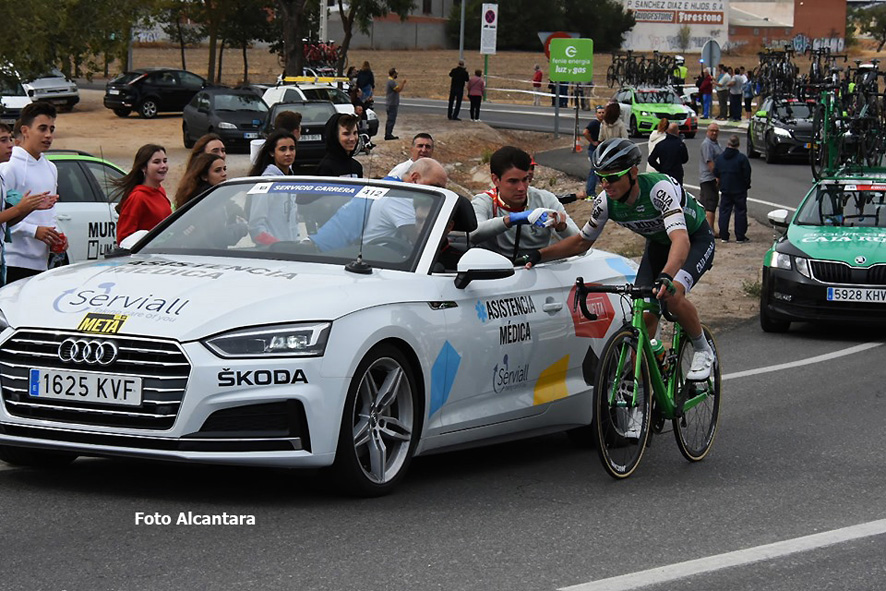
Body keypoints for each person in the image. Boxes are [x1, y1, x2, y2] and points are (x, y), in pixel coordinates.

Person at [523, 138, 716, 381]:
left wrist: (666, 276)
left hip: (695, 239)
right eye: (600, 177)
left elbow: (681, 240)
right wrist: (540, 254)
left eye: (613, 177)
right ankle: (643, 389)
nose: (606, 184)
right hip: (658, 244)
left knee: (672, 293)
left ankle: (702, 349)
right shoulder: (605, 201)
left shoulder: (658, 189)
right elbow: (582, 242)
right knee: (644, 313)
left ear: (634, 172)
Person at [309, 157, 448, 253]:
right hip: (371, 259)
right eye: (436, 186)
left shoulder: (389, 186)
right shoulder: (399, 197)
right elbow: (423, 240)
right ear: (415, 178)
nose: (439, 192)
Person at [469, 146, 578, 260]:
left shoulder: (546, 199)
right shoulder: (484, 201)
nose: (521, 188)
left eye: (525, 179)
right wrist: (511, 219)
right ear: (495, 180)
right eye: (513, 181)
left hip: (539, 266)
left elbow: (580, 243)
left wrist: (563, 228)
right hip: (497, 270)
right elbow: (473, 234)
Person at [3, 102, 65, 282]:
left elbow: (50, 213)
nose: (48, 135)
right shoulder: (9, 167)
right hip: (12, 260)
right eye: (42, 128)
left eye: (52, 129)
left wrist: (57, 237)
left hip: (42, 263)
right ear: (25, 130)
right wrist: (33, 231)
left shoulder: (51, 167)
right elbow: (4, 218)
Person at [246, 129, 299, 245]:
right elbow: (255, 227)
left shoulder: (291, 178)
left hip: (292, 252)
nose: (288, 153)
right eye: (282, 149)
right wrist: (276, 246)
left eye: (292, 148)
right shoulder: (267, 183)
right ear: (272, 153)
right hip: (272, 254)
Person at [114, 144, 172, 245]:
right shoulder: (138, 197)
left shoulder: (160, 191)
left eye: (165, 161)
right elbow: (124, 238)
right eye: (156, 162)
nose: (163, 166)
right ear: (143, 168)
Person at [714, 134, 752, 243]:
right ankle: (740, 235)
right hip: (739, 189)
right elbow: (747, 174)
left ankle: (724, 235)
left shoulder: (721, 158)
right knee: (740, 212)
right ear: (738, 145)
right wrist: (746, 185)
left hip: (725, 188)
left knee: (724, 211)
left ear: (728, 144)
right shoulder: (742, 158)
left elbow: (716, 172)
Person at [316, 113, 362, 178]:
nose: (352, 138)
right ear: (335, 136)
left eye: (355, 133)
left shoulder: (357, 167)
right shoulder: (325, 168)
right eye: (346, 134)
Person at [698, 123, 723, 235]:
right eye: (712, 130)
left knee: (705, 203)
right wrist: (717, 175)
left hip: (711, 177)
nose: (714, 133)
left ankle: (704, 229)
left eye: (716, 131)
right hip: (708, 178)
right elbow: (709, 162)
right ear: (707, 131)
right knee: (710, 203)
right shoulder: (707, 144)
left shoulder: (716, 143)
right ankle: (710, 230)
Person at [583, 105, 606, 195]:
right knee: (594, 170)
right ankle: (590, 191)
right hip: (593, 150)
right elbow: (585, 132)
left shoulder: (605, 124)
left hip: (601, 151)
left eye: (603, 112)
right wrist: (593, 142)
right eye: (599, 113)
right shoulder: (594, 123)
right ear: (596, 114)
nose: (601, 115)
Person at [384, 67, 406, 140]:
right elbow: (398, 89)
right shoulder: (391, 82)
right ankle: (388, 134)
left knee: (390, 119)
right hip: (392, 103)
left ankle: (388, 133)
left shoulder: (390, 81)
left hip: (391, 103)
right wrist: (403, 83)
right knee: (391, 119)